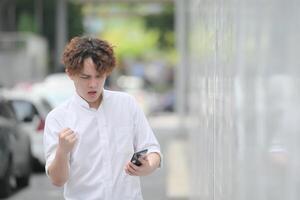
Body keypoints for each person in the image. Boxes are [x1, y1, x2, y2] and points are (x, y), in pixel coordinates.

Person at [43, 36, 162, 200]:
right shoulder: (58, 118)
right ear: (70, 74)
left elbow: (152, 149)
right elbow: (58, 180)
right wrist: (62, 151)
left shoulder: (126, 104)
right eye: (85, 77)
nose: (93, 84)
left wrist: (148, 166)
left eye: (99, 76)